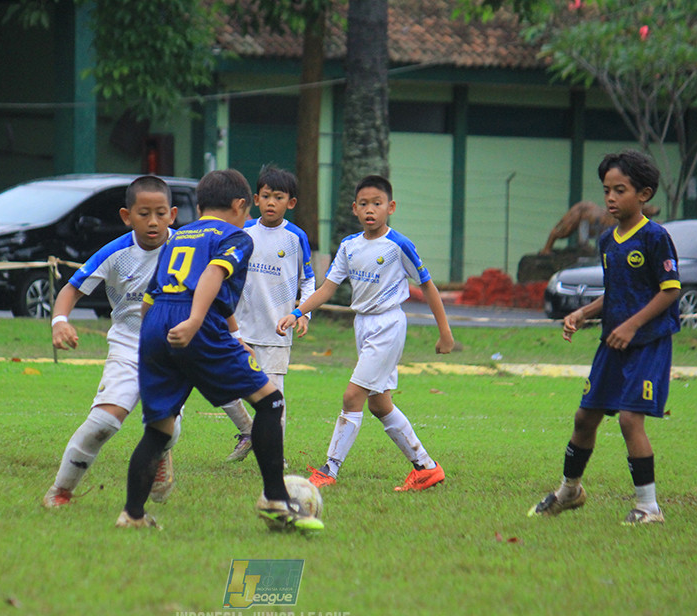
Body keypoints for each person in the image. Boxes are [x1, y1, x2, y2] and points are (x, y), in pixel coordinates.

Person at [116, 169, 323, 532]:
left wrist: (156, 342)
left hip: (156, 323)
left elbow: (153, 293)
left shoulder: (179, 238)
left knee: (158, 430)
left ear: (199, 206)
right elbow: (213, 275)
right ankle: (276, 498)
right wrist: (196, 321)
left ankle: (131, 515)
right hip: (194, 321)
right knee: (270, 401)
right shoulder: (236, 236)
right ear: (242, 205)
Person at [529, 150, 680, 525]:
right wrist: (583, 313)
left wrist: (632, 325)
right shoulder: (608, 240)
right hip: (612, 344)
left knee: (630, 419)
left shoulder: (655, 237)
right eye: (607, 190)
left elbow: (669, 290)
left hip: (647, 344)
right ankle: (569, 491)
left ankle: (648, 507)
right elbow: (615, 292)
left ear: (643, 194)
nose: (610, 198)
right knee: (584, 417)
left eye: (620, 190)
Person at [276, 174, 454, 491]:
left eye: (377, 203)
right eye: (364, 204)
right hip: (363, 325)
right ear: (354, 209)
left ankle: (328, 470)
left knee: (352, 396)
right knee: (379, 404)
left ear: (391, 207)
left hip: (388, 325)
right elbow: (328, 288)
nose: (370, 210)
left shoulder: (399, 245)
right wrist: (297, 311)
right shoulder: (349, 246)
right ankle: (426, 467)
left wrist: (445, 332)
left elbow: (427, 286)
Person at [42, 175, 180, 508]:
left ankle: (161, 454)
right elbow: (71, 289)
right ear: (126, 216)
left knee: (167, 429)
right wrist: (60, 322)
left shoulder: (186, 248)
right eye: (143, 213)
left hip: (173, 351)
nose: (153, 222)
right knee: (103, 422)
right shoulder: (115, 252)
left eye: (160, 213)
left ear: (172, 215)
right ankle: (60, 491)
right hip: (128, 346)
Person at [222, 166, 316, 462]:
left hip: (276, 332)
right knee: (222, 385)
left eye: (279, 197)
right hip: (238, 329)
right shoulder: (244, 232)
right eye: (266, 196)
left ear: (291, 203)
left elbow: (308, 280)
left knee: (274, 399)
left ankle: (275, 456)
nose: (271, 202)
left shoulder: (296, 237)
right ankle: (248, 431)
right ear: (255, 199)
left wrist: (303, 312)